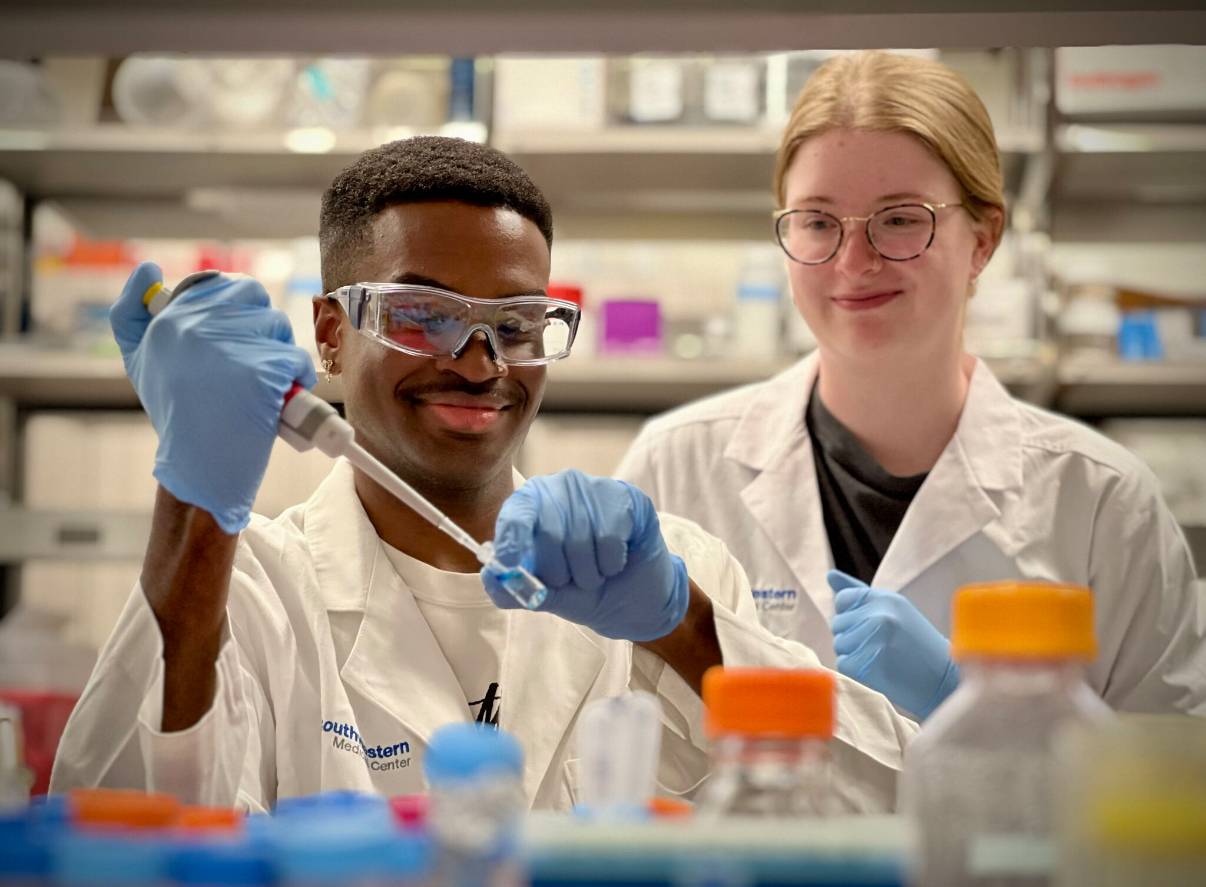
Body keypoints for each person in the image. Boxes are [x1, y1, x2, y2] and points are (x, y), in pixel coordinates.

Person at [50, 136, 916, 812]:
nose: (478, 362)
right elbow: (121, 833)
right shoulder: (252, 593)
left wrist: (682, 628)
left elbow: (900, 809)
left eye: (516, 323)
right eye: (421, 314)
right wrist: (195, 503)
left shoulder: (670, 577)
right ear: (330, 334)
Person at [616, 51, 1205, 722]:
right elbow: (606, 736)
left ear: (984, 238)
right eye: (817, 220)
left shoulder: (1102, 502)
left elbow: (1169, 769)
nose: (853, 261)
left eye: (899, 218)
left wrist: (972, 708)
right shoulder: (676, 467)